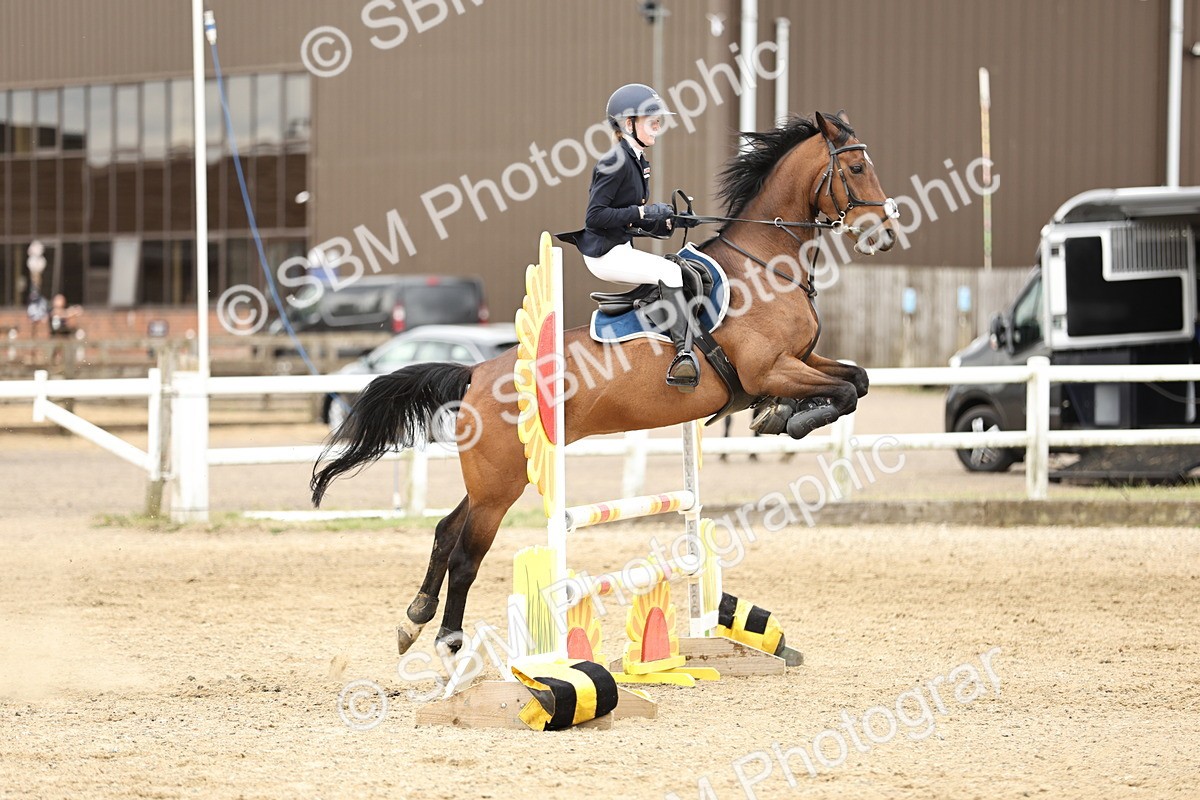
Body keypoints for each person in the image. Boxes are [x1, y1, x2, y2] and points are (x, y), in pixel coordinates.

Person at [565, 83, 700, 392]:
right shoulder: (615, 162)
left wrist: (667, 224)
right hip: (604, 253)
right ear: (628, 124)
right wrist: (644, 214)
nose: (658, 126)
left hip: (618, 243)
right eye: (651, 120)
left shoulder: (636, 160)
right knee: (669, 271)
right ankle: (683, 353)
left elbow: (627, 219)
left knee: (675, 265)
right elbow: (595, 217)